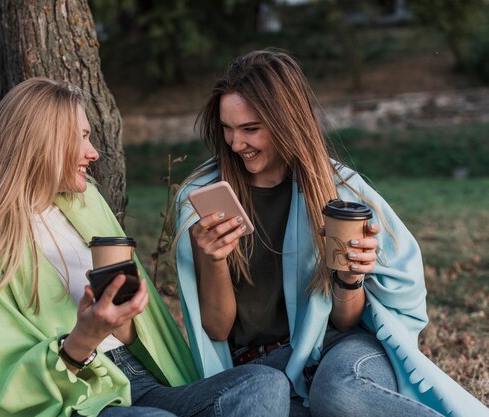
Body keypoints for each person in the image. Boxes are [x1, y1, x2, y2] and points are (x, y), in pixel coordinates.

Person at [0, 77, 292, 417]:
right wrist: (83, 338)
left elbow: (134, 332)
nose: (94, 152)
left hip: (142, 378)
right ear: (40, 144)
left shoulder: (86, 204)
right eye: (81, 137)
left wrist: (123, 318)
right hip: (76, 399)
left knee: (263, 384)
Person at [174, 49, 488, 417]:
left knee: (339, 395)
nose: (235, 144)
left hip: (343, 350)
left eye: (250, 129)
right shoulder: (204, 196)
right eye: (227, 128)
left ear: (286, 122)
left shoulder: (338, 191)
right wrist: (213, 260)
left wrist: (351, 278)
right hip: (263, 370)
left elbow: (345, 320)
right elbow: (216, 327)